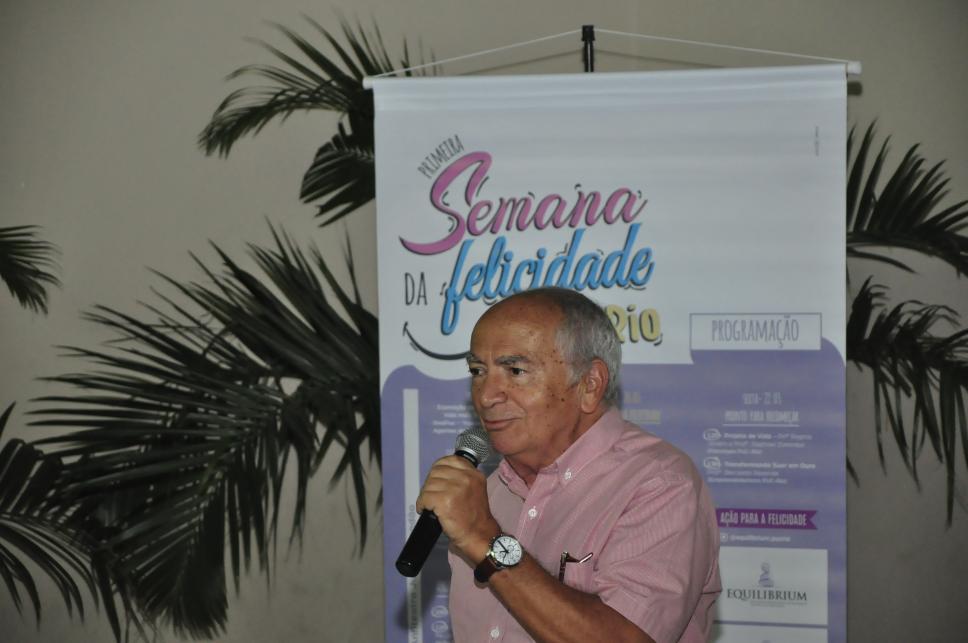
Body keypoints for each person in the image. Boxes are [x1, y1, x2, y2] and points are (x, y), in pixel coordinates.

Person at [416, 287, 721, 643]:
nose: (485, 396)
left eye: (515, 370)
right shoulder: (489, 491)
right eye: (478, 370)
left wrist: (483, 538)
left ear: (589, 384)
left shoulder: (660, 484)